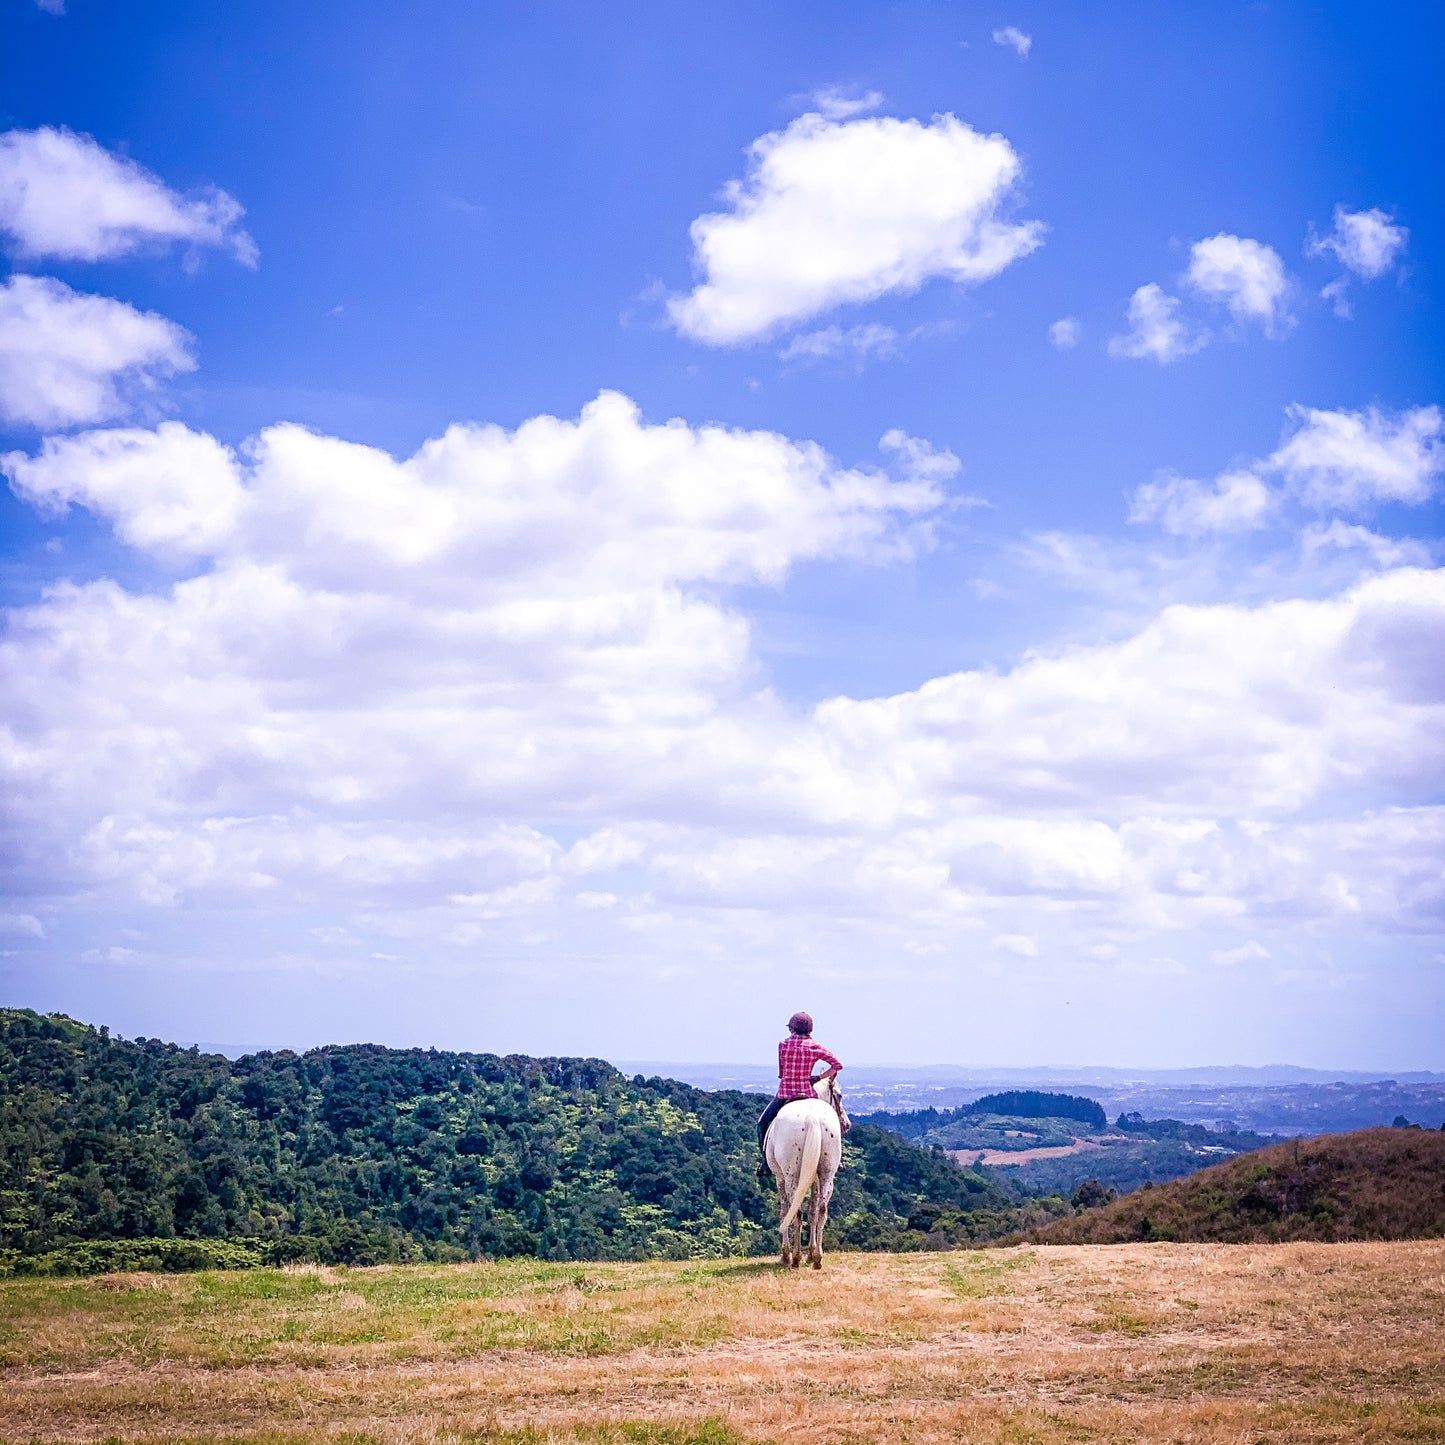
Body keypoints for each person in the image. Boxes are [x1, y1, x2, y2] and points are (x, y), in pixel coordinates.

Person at [756, 1011, 842, 1178]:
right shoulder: (815, 1046)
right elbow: (836, 1065)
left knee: (762, 1123)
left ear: (792, 1029)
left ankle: (765, 1163)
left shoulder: (783, 1044)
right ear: (810, 1030)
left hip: (785, 1093)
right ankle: (836, 1160)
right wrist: (817, 1077)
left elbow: (782, 1073)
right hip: (808, 1093)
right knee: (834, 1122)